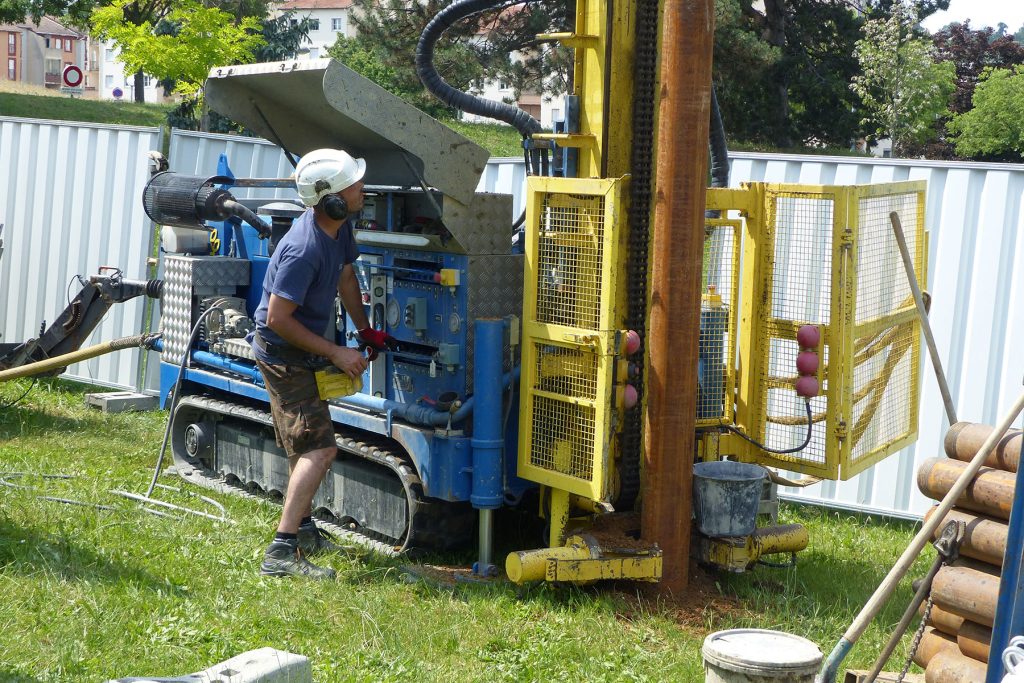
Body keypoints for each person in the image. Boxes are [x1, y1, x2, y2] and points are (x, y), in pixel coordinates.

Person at [248, 148, 392, 579]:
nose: (362, 188)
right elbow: (277, 319)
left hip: (305, 351)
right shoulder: (302, 248)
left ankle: (305, 529)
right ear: (330, 199)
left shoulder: (339, 228)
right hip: (282, 355)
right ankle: (280, 551)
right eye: (354, 185)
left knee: (307, 442)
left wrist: (364, 330)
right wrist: (335, 352)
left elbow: (347, 277)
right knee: (319, 449)